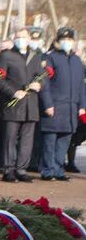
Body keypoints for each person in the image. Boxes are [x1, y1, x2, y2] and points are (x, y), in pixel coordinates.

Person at [0, 27, 42, 183]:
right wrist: (13, 92)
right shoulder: (7, 55)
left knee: (27, 139)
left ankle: (21, 169)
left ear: (29, 39)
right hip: (13, 104)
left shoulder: (35, 56)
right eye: (18, 37)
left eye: (23, 37)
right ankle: (8, 169)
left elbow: (41, 76)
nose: (21, 39)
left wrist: (39, 84)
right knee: (10, 138)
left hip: (31, 104)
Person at [39, 27, 86, 181]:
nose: (67, 42)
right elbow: (44, 83)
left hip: (71, 108)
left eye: (69, 40)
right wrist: (47, 104)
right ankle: (47, 170)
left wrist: (82, 106)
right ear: (57, 41)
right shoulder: (50, 58)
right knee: (50, 141)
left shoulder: (76, 60)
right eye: (64, 40)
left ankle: (58, 169)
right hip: (55, 106)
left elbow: (81, 85)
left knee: (64, 141)